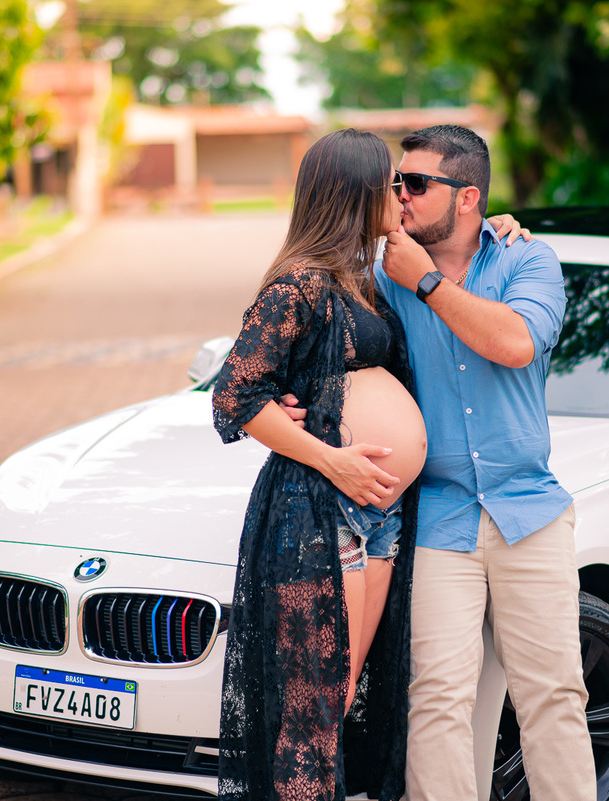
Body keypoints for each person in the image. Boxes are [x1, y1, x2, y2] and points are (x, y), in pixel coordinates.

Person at [212, 128, 530, 801]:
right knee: (310, 707)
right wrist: (332, 459)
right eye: (392, 182)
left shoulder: (367, 277)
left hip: (378, 518)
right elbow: (235, 393)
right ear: (356, 193)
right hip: (322, 512)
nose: (401, 195)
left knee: (346, 688)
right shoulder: (298, 284)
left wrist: (490, 229)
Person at [283, 125, 594, 800]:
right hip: (439, 519)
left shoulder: (527, 261)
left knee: (553, 694)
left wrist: (423, 281)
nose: (400, 195)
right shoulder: (378, 277)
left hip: (528, 511)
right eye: (397, 182)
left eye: (417, 184)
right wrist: (292, 400)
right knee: (437, 699)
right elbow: (318, 340)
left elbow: (514, 342)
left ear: (469, 197)